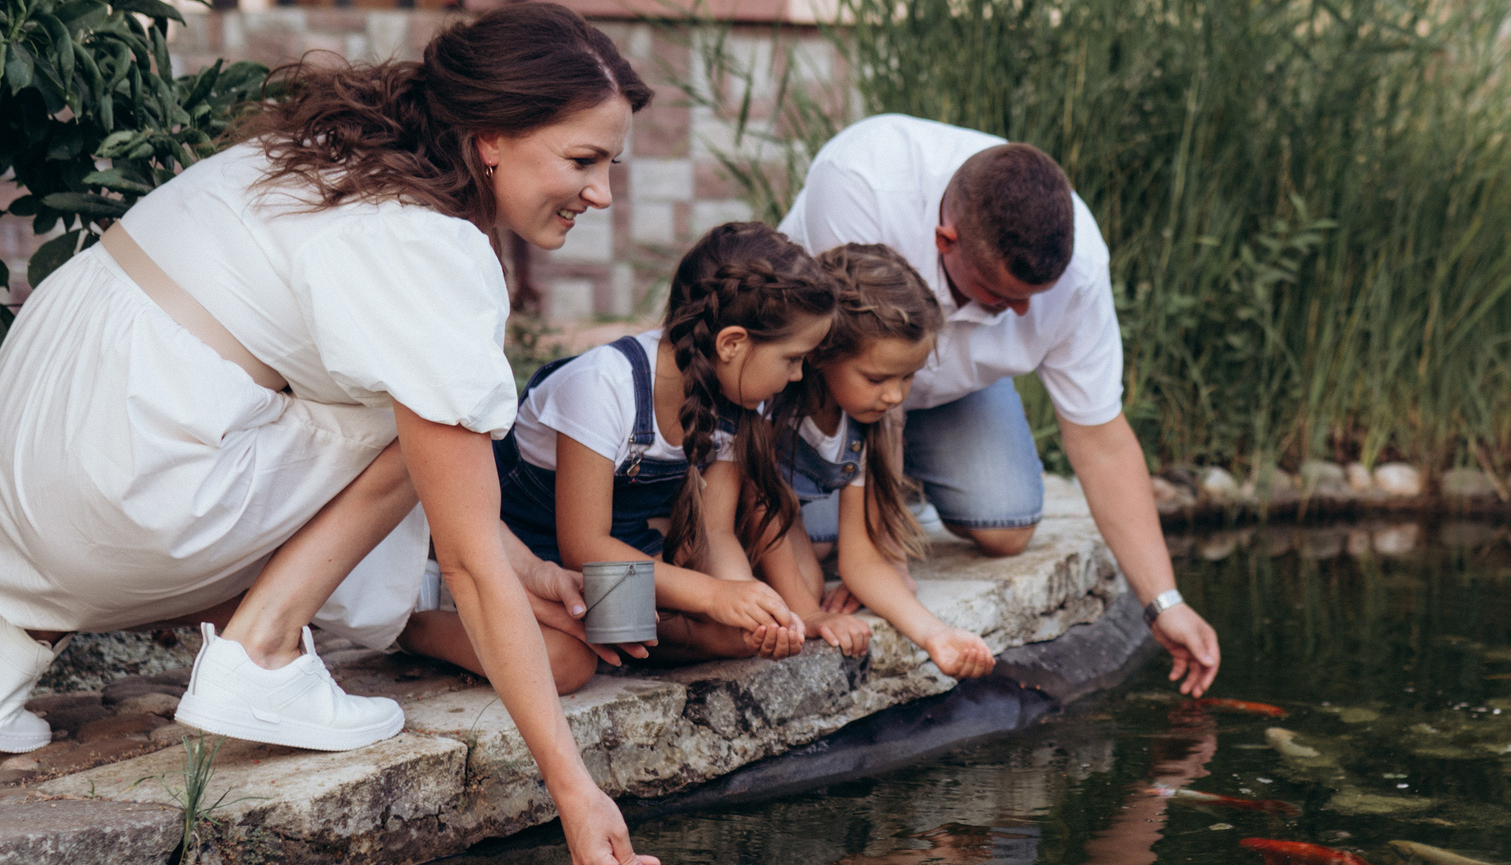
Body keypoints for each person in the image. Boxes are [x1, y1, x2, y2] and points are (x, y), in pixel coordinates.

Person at [0, 2, 668, 865]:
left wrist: (527, 567)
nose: (601, 193)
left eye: (609, 165)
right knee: (417, 408)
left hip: (33, 465)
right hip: (126, 488)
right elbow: (462, 551)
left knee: (402, 399)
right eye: (583, 160)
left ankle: (6, 622)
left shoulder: (326, 158)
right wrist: (573, 792)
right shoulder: (428, 245)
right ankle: (261, 652)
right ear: (494, 135)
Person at [778, 115, 1222, 695]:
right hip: (838, 384)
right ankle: (881, 490)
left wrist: (1163, 602)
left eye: (1031, 300)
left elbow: (1102, 439)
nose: (1017, 314)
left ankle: (906, 481)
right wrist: (887, 552)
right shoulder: (860, 179)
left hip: (950, 390)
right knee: (811, 543)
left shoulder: (1078, 264)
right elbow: (862, 374)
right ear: (946, 240)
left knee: (1006, 526)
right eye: (999, 295)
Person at [470, 221, 828, 667]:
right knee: (585, 650)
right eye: (792, 359)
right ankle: (423, 628)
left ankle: (644, 637)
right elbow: (584, 545)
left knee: (741, 637)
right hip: (537, 545)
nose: (796, 376)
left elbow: (714, 530)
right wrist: (714, 595)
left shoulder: (736, 398)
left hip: (626, 547)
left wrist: (747, 602)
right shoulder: (605, 386)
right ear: (732, 343)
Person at [750, 242, 995, 682]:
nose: (896, 396)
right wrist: (809, 614)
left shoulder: (862, 424)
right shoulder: (773, 409)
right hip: (717, 532)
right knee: (802, 592)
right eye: (877, 378)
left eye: (908, 377)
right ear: (821, 354)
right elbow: (759, 511)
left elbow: (860, 559)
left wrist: (935, 634)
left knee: (808, 580)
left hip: (775, 526)